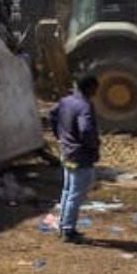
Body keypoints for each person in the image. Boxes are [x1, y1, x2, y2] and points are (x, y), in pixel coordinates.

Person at [49, 75, 100, 244]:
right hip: (80, 156)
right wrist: (93, 146)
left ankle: (63, 225)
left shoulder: (66, 101)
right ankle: (68, 231)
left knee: (67, 190)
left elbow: (52, 115)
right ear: (91, 88)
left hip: (66, 154)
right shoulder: (85, 106)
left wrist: (60, 135)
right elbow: (86, 130)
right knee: (76, 194)